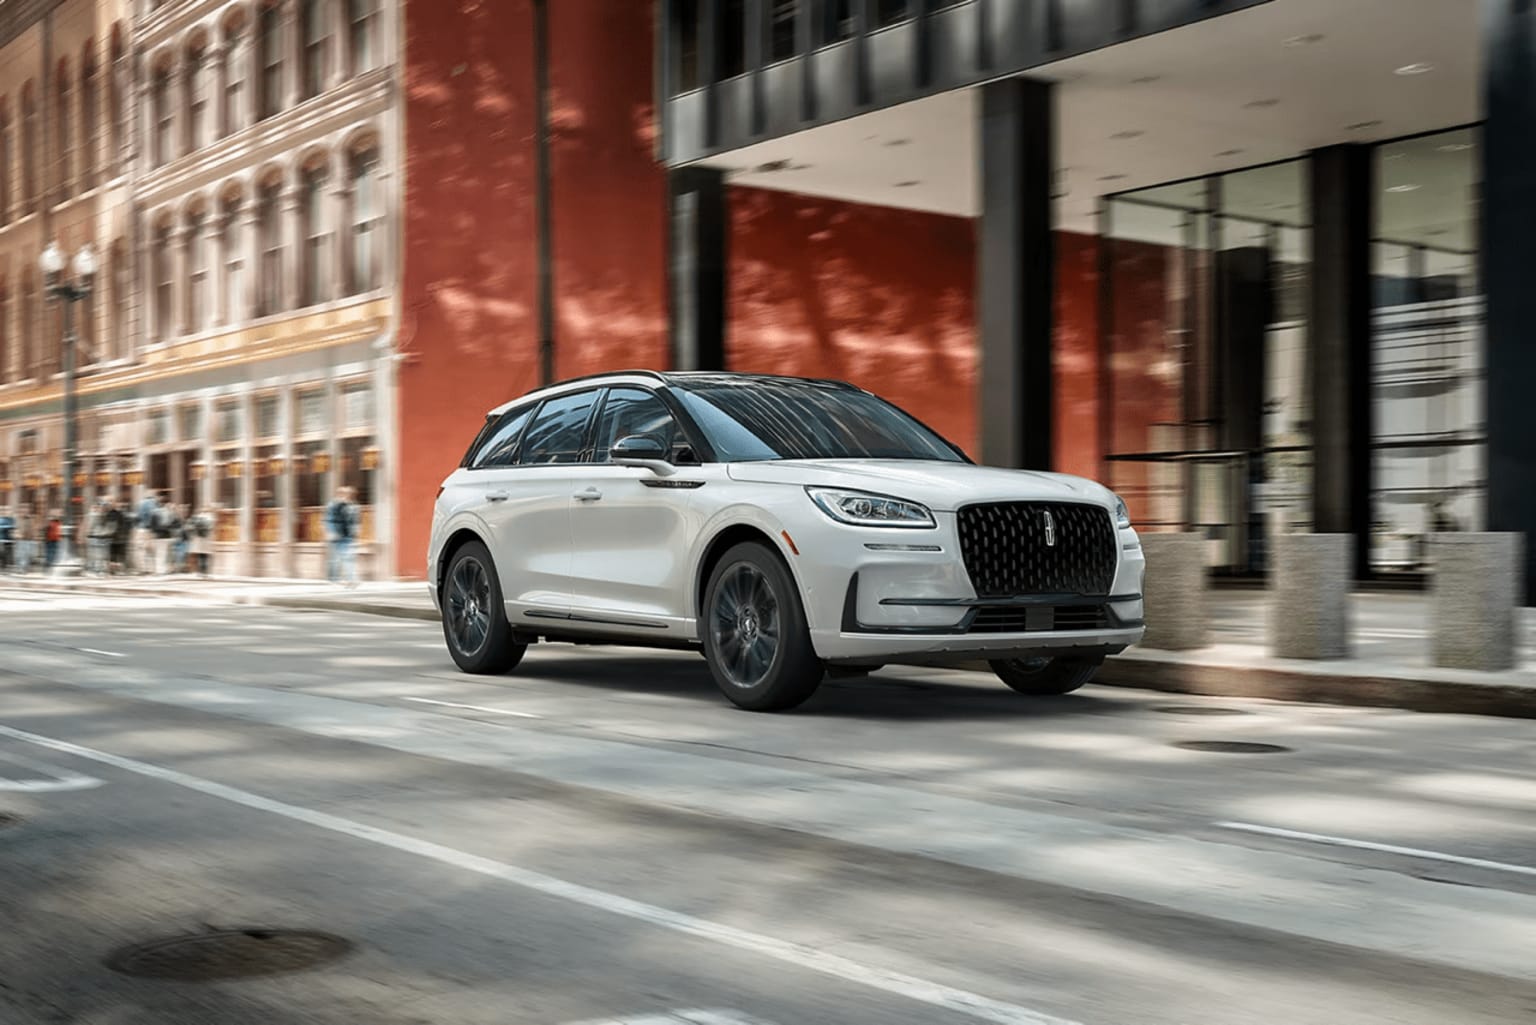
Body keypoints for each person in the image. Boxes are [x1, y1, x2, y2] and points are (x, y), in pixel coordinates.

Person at [325, 485, 359, 587]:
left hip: (348, 536)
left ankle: (351, 579)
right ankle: (333, 579)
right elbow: (329, 520)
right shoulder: (333, 505)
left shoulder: (352, 505)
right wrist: (331, 531)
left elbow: (354, 520)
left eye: (349, 494)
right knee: (335, 559)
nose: (347, 496)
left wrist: (355, 530)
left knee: (348, 557)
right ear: (340, 494)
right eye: (345, 494)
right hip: (337, 536)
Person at [150, 494, 178, 575]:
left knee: (160, 553)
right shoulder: (170, 513)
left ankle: (160, 570)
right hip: (168, 535)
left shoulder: (154, 512)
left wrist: (153, 535)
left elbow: (152, 526)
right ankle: (165, 569)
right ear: (166, 503)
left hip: (159, 536)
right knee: (167, 554)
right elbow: (175, 524)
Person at [187, 504, 215, 578]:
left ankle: (200, 572)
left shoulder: (197, 517)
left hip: (198, 539)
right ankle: (205, 572)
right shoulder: (210, 517)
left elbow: (191, 527)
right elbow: (211, 528)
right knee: (205, 556)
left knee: (200, 556)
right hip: (206, 539)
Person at [107, 499, 130, 575]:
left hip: (112, 537)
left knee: (113, 554)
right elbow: (125, 526)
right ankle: (119, 570)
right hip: (120, 538)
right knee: (119, 554)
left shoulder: (108, 514)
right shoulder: (121, 514)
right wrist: (125, 535)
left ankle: (113, 571)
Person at [13, 510, 34, 575]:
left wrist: (32, 538)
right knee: (20, 555)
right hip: (20, 539)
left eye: (26, 510)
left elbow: (32, 529)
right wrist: (17, 535)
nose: (24, 512)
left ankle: (23, 569)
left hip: (28, 539)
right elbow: (16, 529)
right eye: (22, 510)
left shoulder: (30, 520)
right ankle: (20, 569)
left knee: (26, 555)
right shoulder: (18, 519)